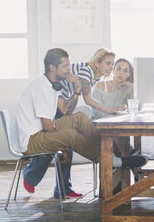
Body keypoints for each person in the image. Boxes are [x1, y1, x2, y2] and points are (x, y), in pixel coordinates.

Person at [17, 48, 147, 198]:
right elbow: (48, 125)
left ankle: (107, 153)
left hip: (44, 127)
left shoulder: (54, 84)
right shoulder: (43, 88)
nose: (70, 69)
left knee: (79, 117)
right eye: (65, 66)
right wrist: (63, 148)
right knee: (71, 136)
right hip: (33, 138)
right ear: (53, 68)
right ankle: (112, 159)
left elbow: (67, 111)